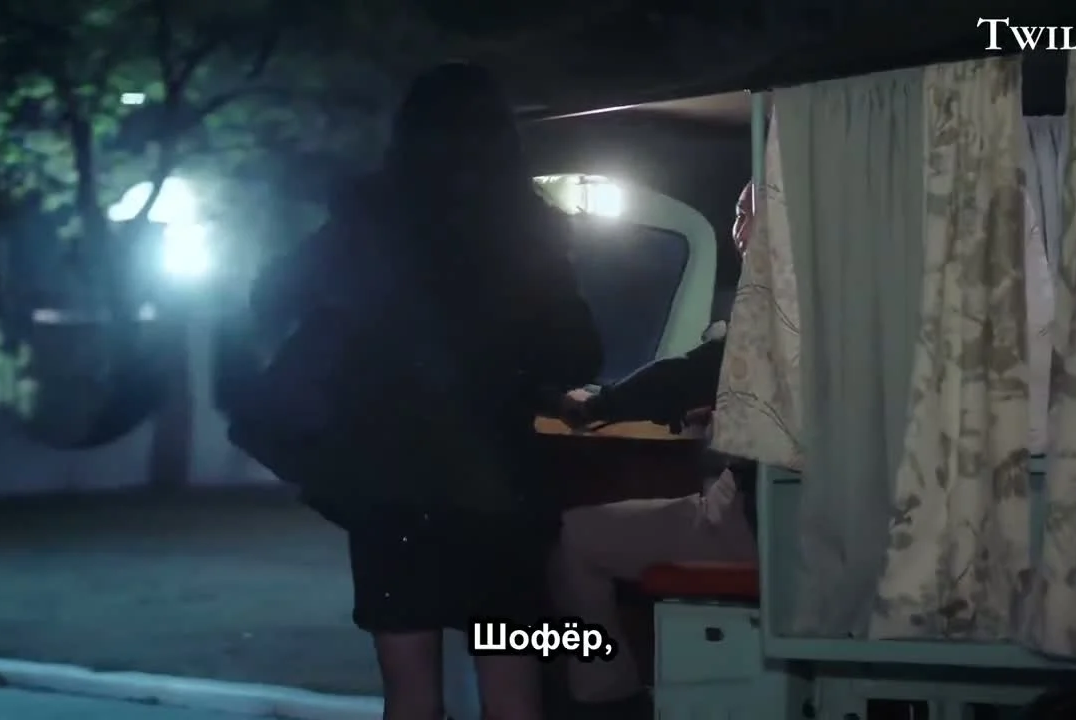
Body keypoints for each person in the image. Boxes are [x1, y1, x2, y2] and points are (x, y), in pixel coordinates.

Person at [233, 63, 602, 720]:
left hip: (391, 490)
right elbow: (579, 352)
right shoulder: (527, 231)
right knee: (512, 684)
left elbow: (270, 295)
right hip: (499, 489)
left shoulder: (366, 221)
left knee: (410, 693)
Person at [550, 180, 757, 720]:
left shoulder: (777, 302)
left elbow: (693, 370)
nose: (739, 230)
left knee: (575, 536)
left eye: (749, 214)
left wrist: (600, 404)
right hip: (812, 525)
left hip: (757, 526)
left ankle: (607, 701)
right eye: (737, 214)